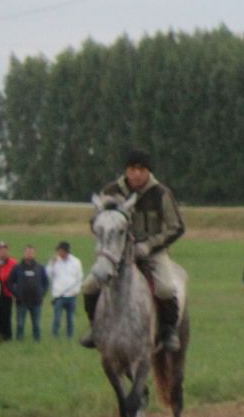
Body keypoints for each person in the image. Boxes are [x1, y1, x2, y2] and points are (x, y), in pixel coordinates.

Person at [79, 149, 187, 352]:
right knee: (89, 285)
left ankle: (168, 330)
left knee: (165, 288)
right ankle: (95, 328)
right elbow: (97, 221)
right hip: (116, 253)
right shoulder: (111, 191)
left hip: (152, 251)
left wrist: (149, 245)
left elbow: (176, 227)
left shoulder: (161, 193)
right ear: (126, 171)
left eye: (141, 169)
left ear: (148, 172)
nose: (136, 174)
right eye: (131, 169)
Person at [11, 245, 49, 341]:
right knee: (20, 324)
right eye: (27, 252)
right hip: (21, 301)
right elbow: (10, 282)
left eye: (31, 252)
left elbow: (46, 282)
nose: (29, 254)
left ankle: (37, 341)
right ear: (24, 253)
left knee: (36, 324)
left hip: (36, 301)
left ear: (34, 254)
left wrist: (42, 294)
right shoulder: (17, 268)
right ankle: (19, 341)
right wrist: (16, 294)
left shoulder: (40, 267)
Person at [47, 241, 83, 339]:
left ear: (66, 251)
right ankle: (55, 336)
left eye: (61, 251)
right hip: (59, 296)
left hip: (71, 295)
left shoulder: (76, 262)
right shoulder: (54, 261)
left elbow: (79, 278)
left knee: (70, 319)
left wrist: (77, 290)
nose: (59, 253)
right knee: (57, 318)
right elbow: (48, 275)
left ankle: (70, 336)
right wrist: (52, 264)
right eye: (58, 251)